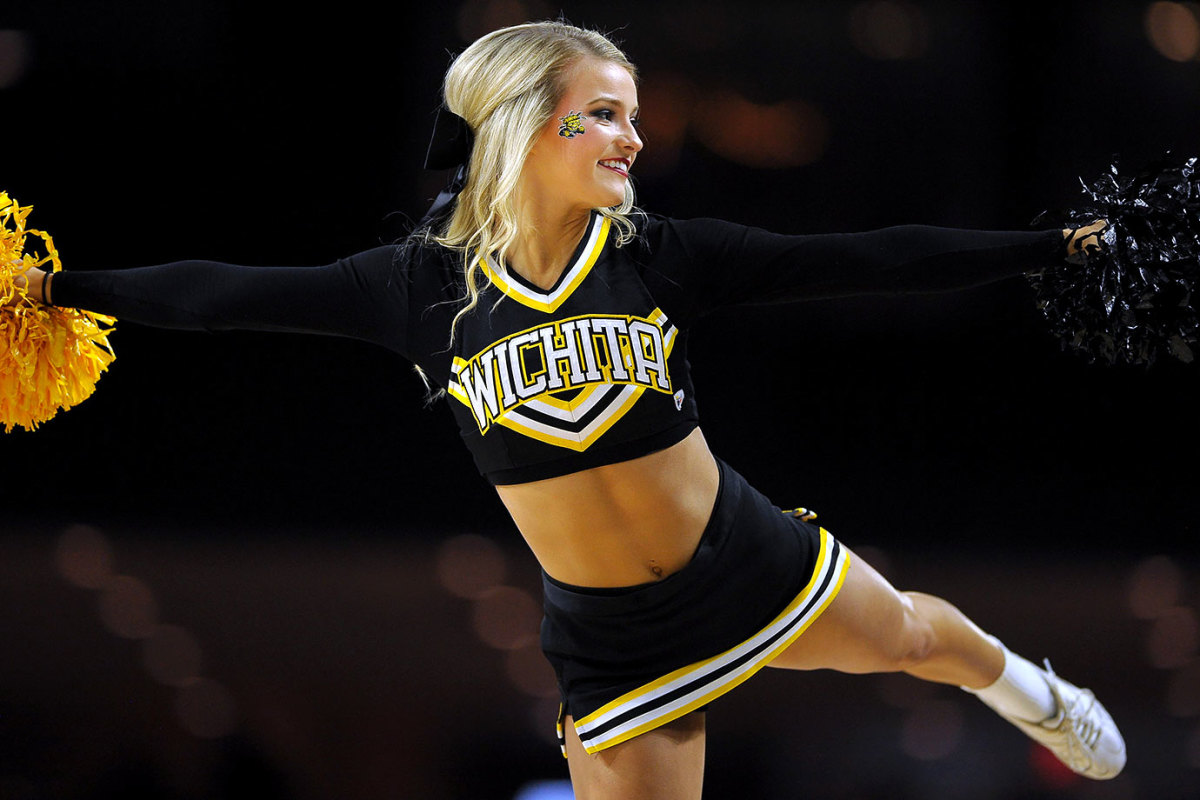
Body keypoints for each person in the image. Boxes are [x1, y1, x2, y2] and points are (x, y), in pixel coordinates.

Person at [12, 20, 1123, 798]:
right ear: (523, 126)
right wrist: (54, 289)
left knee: (920, 639)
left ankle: (1035, 691)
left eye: (631, 116)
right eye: (603, 115)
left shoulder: (660, 254)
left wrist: (1048, 249)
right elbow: (223, 295)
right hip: (612, 634)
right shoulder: (418, 287)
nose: (634, 138)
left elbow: (869, 259)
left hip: (739, 555)